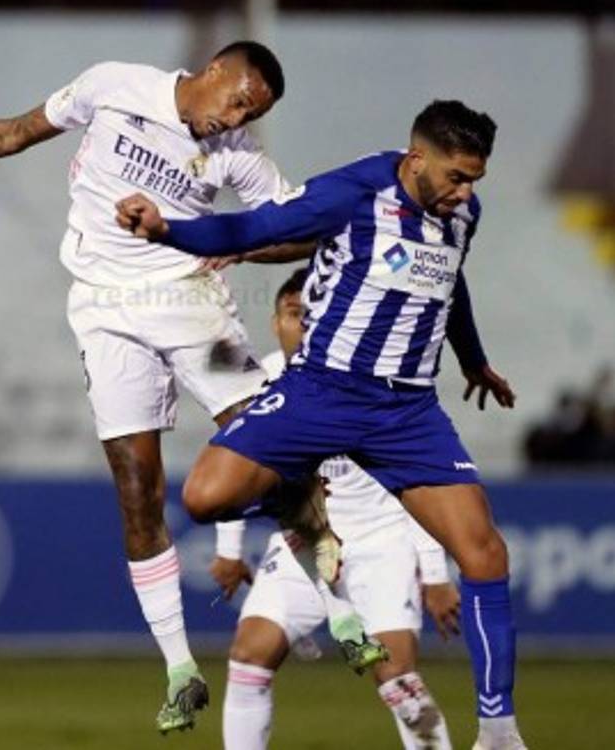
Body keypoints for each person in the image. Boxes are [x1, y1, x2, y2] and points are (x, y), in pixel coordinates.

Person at [0, 41, 351, 734]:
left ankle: (339, 604)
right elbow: (12, 133)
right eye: (238, 100)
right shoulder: (114, 85)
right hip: (103, 310)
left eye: (250, 113)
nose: (236, 118)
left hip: (188, 301)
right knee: (136, 486)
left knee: (271, 437)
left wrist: (237, 242)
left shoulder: (240, 156)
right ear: (216, 71)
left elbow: (301, 232)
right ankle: (178, 670)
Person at [116, 99, 528, 750]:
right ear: (417, 159)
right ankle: (302, 509)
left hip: (407, 410)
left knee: (486, 553)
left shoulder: (461, 213)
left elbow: (452, 283)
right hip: (324, 389)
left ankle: (499, 732)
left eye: (475, 178)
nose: (467, 191)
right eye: (456, 176)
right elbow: (253, 228)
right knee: (202, 497)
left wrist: (473, 361)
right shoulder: (356, 192)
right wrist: (166, 229)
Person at [214, 269, 459, 749]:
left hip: (380, 544)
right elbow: (234, 466)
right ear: (275, 321)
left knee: (398, 681)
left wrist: (434, 571)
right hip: (302, 546)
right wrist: (227, 548)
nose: (302, 325)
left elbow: (420, 480)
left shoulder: (372, 379)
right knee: (248, 657)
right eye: (292, 314)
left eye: (312, 316)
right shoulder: (261, 383)